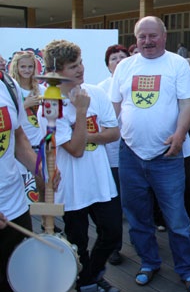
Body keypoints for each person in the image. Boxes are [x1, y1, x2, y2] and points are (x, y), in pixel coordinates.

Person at [110, 16, 190, 292]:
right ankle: (149, 262)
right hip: (130, 155)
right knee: (138, 217)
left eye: (153, 36)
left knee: (176, 219)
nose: (147, 41)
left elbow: (187, 105)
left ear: (164, 35)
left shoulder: (177, 64)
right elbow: (117, 105)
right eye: (142, 37)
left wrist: (180, 134)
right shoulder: (125, 67)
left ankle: (187, 270)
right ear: (136, 38)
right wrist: (129, 131)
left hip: (168, 154)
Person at [41, 39, 122, 292]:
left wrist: (89, 134)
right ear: (57, 72)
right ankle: (85, 281)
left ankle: (88, 277)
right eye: (73, 66)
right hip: (71, 187)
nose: (80, 69)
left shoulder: (95, 92)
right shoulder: (50, 103)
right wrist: (80, 111)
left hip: (100, 181)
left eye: (81, 63)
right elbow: (75, 151)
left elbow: (114, 133)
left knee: (112, 234)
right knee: (78, 241)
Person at [0, 69, 47, 292]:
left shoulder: (8, 85)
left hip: (15, 206)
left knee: (19, 279)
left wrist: (42, 172)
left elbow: (19, 140)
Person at [97, 44, 130, 266]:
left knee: (138, 202)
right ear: (107, 65)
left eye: (122, 57)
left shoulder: (135, 83)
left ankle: (142, 242)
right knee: (114, 205)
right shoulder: (100, 89)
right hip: (110, 156)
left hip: (133, 152)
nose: (118, 61)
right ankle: (114, 247)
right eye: (113, 59)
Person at [8, 51, 46, 204]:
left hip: (41, 145)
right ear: (16, 67)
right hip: (20, 148)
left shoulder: (42, 90)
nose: (27, 70)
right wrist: (25, 105)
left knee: (43, 185)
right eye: (23, 66)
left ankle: (45, 222)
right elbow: (10, 116)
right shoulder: (11, 90)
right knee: (21, 188)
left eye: (30, 67)